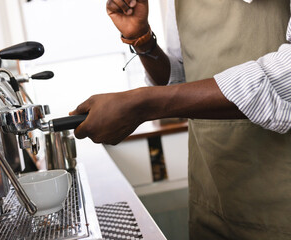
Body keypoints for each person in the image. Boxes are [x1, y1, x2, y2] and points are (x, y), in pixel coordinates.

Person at [70, 0, 291, 239]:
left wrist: (144, 104)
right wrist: (143, 40)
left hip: (278, 204)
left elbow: (284, 78)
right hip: (210, 196)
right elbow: (183, 81)